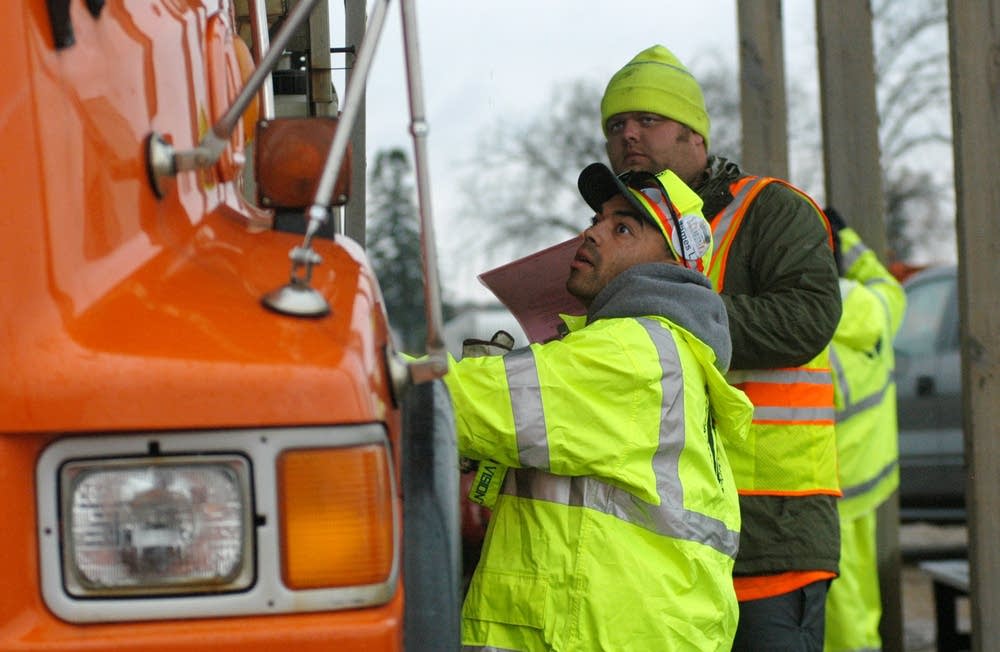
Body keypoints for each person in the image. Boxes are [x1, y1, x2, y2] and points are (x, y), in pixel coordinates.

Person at [444, 162, 753, 651]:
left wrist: (348, 360)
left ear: (673, 265)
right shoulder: (664, 352)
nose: (592, 233)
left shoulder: (630, 354)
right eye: (596, 219)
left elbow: (459, 402)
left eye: (623, 227)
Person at [600, 45, 844, 650]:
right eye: (615, 125)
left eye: (646, 120)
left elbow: (808, 318)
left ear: (693, 136)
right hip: (665, 541)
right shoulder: (621, 234)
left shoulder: (769, 211)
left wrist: (677, 311)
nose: (628, 134)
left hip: (769, 530)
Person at [822, 208, 906, 651]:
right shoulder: (873, 304)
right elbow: (889, 285)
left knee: (843, 609)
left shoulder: (807, 313)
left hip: (827, 488)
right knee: (859, 600)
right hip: (866, 482)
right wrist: (847, 235)